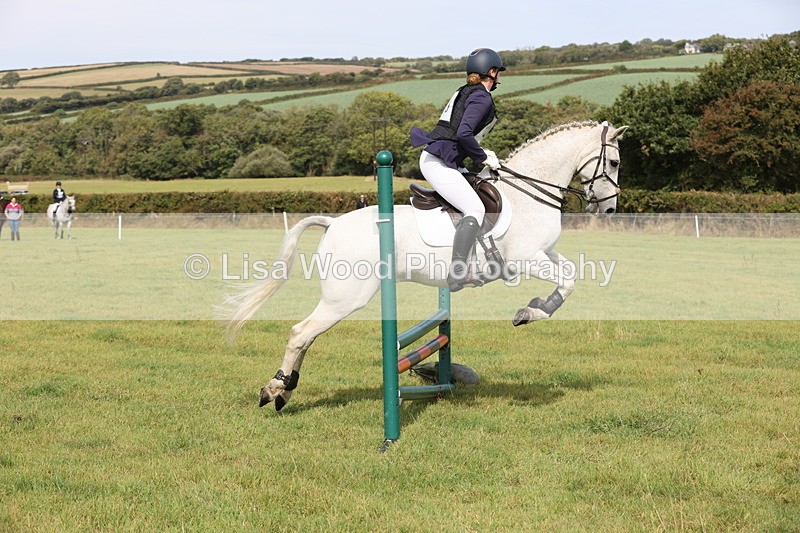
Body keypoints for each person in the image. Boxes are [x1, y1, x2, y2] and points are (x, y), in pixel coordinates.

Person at [410, 47, 505, 291]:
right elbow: (463, 133)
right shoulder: (482, 97)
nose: (499, 77)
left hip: (447, 160)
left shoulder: (466, 90)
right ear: (491, 72)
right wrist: (483, 157)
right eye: (498, 72)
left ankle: (473, 266)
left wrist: (484, 155)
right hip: (438, 162)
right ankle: (458, 273)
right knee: (475, 208)